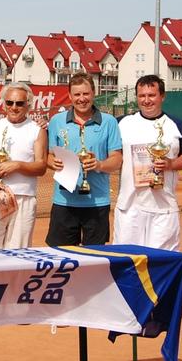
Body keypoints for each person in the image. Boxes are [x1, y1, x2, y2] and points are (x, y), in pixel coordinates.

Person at [114, 74, 182, 251]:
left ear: (162, 96)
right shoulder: (121, 123)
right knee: (127, 260)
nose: (146, 100)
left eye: (151, 95)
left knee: (161, 262)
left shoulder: (176, 125)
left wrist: (171, 164)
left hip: (164, 209)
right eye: (142, 95)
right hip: (129, 208)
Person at [46, 73, 122, 247]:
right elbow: (49, 155)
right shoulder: (57, 121)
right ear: (70, 96)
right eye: (77, 94)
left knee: (95, 258)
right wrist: (53, 162)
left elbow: (117, 159)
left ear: (94, 93)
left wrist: (99, 164)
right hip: (64, 201)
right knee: (61, 256)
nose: (82, 99)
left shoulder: (109, 122)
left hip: (97, 202)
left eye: (86, 93)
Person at [0, 82, 47, 250]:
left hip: (24, 198)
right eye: (9, 102)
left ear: (28, 104)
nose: (14, 107)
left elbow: (41, 166)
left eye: (19, 103)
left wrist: (17, 165)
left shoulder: (37, 130)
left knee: (18, 252)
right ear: (4, 103)